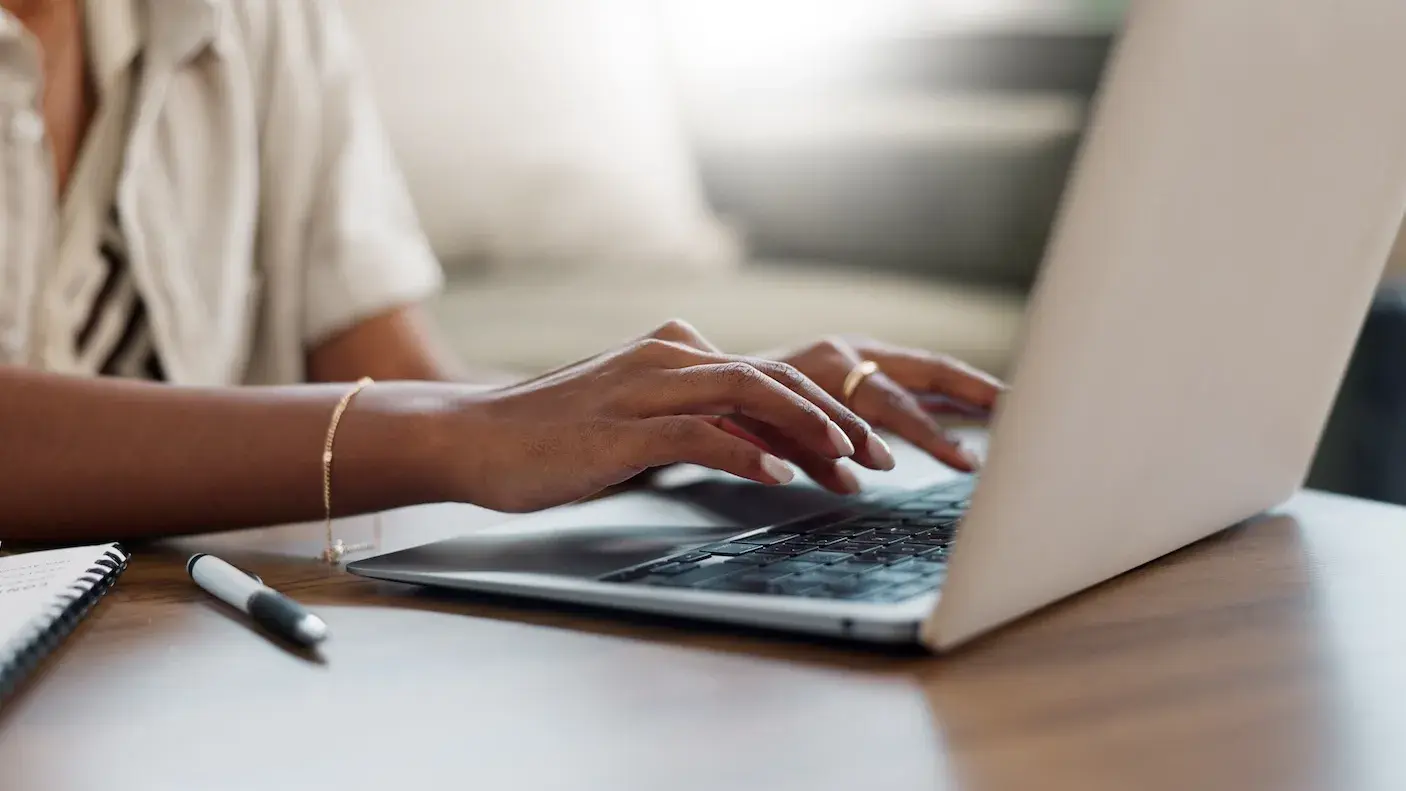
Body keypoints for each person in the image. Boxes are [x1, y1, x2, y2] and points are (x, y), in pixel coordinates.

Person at [0, 0, 1003, 545]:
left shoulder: (263, 21)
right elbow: (425, 426)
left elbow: (390, 368)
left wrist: (677, 414)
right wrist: (456, 435)